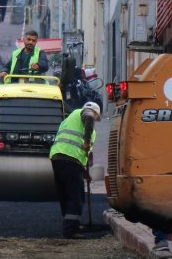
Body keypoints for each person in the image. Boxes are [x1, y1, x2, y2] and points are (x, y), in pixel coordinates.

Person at [49, 101, 100, 239]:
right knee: (75, 197)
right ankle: (70, 230)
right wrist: (87, 141)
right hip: (69, 159)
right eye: (97, 117)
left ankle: (71, 223)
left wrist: (86, 173)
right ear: (95, 112)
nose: (95, 119)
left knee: (67, 194)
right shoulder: (82, 113)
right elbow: (89, 116)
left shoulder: (70, 120)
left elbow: (85, 156)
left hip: (59, 158)